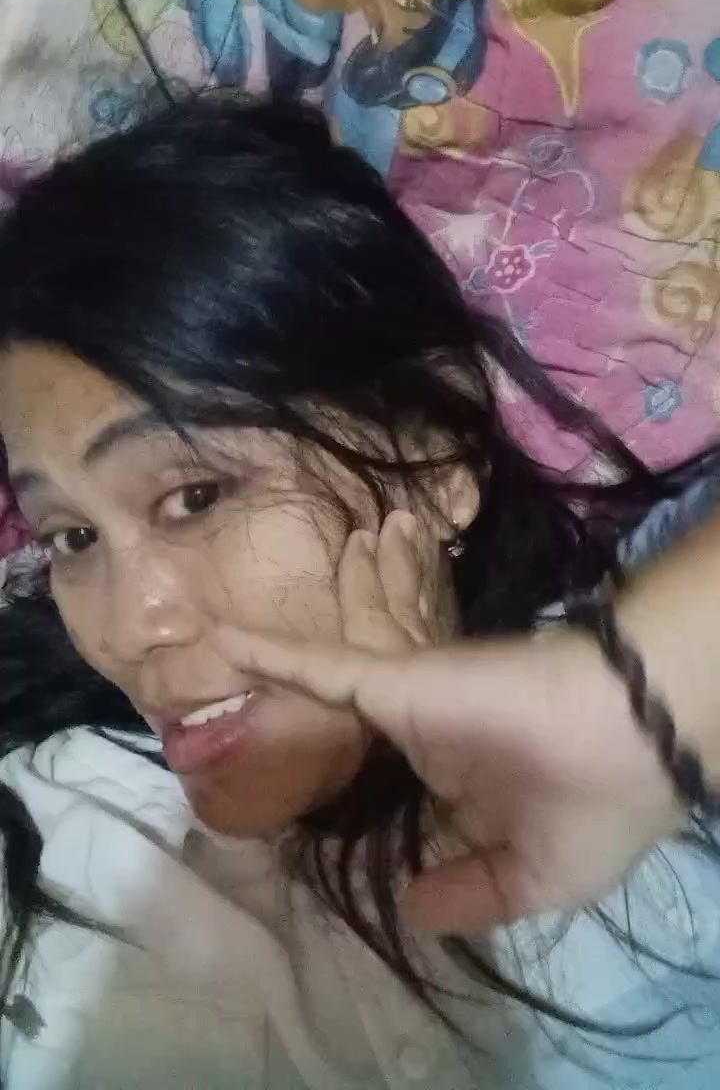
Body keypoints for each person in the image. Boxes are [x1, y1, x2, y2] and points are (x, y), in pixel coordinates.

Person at [0, 95, 719, 1089]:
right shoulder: (67, 823)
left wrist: (633, 712)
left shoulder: (653, 685)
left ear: (435, 460)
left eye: (195, 496)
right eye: (72, 537)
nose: (127, 627)